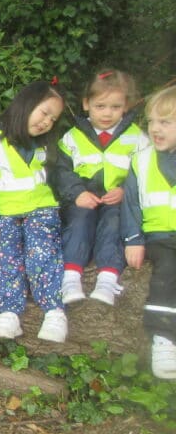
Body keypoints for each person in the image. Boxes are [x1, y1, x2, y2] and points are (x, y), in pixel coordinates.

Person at [0, 80, 68, 343]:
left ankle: (54, 311)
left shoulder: (46, 143)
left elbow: (55, 178)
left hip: (41, 208)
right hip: (4, 212)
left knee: (43, 254)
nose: (47, 122)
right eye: (44, 112)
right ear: (26, 104)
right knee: (5, 259)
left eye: (53, 118)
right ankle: (9, 314)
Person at [55, 69, 148, 306]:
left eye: (115, 107)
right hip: (82, 199)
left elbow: (145, 173)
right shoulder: (72, 137)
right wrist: (77, 193)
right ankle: (70, 277)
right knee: (79, 222)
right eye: (100, 106)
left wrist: (126, 190)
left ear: (125, 106)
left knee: (114, 224)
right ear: (86, 104)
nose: (107, 113)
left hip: (117, 201)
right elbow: (61, 172)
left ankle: (108, 278)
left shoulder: (137, 138)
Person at [121, 84, 176, 380]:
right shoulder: (141, 160)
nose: (155, 128)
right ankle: (163, 339)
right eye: (152, 121)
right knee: (168, 272)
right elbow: (129, 205)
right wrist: (133, 240)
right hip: (158, 238)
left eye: (165, 122)